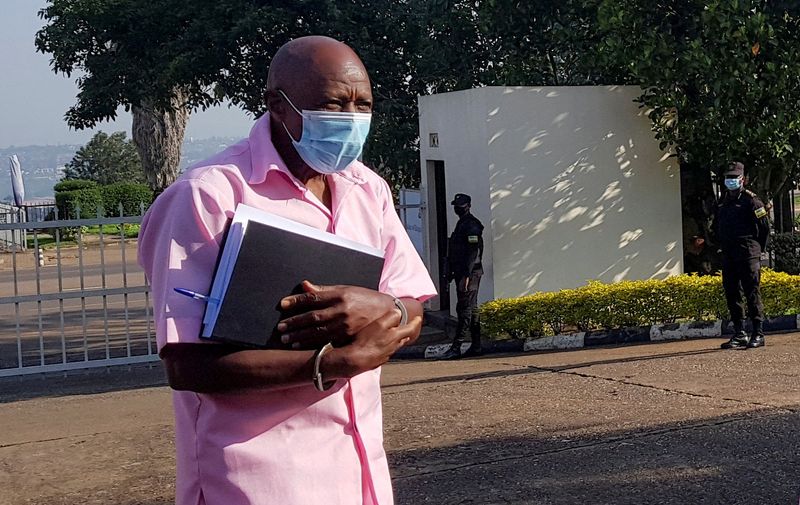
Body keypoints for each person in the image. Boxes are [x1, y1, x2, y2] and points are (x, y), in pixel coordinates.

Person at [137, 36, 436, 505]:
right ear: (278, 104)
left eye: (363, 105)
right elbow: (186, 363)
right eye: (333, 104)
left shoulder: (367, 188)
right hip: (253, 484)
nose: (352, 119)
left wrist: (388, 307)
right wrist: (335, 363)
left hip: (360, 477)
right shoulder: (210, 196)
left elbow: (414, 305)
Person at [715, 161, 770, 349]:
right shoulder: (723, 201)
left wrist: (757, 249)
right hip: (729, 254)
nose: (730, 181)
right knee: (732, 294)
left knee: (751, 293)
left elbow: (764, 228)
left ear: (742, 179)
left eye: (733, 177)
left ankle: (758, 333)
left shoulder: (752, 201)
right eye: (727, 177)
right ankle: (740, 333)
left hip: (748, 253)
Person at [441, 193, 484, 359]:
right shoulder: (462, 224)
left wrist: (466, 275)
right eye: (456, 206)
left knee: (464, 309)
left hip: (470, 273)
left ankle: (456, 346)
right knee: (471, 308)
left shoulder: (472, 225)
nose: (458, 209)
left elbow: (474, 252)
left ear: (469, 206)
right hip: (462, 272)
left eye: (462, 205)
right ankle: (477, 345)